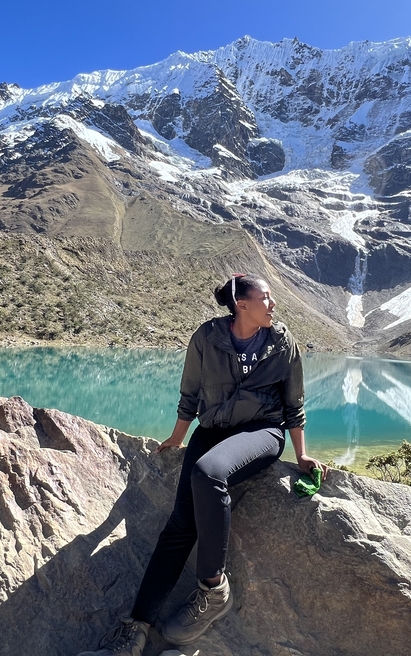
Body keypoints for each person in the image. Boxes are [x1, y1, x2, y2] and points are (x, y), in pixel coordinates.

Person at [78, 273, 327, 656]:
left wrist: (301, 453)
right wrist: (178, 436)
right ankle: (134, 632)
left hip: (263, 432)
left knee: (208, 473)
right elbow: (190, 393)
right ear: (241, 305)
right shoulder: (207, 337)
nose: (273, 304)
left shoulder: (282, 341)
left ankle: (213, 589)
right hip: (212, 431)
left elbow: (294, 404)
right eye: (266, 298)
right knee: (180, 524)